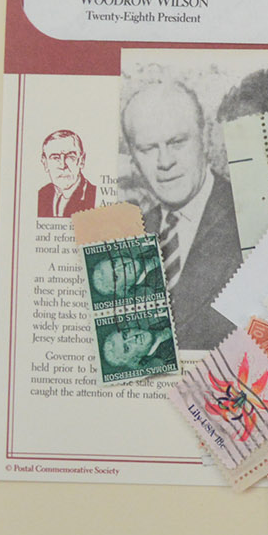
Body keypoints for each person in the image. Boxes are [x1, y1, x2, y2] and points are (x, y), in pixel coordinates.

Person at [121, 79, 240, 350]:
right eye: (148, 149)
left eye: (177, 142)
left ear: (205, 138)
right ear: (133, 158)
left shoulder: (251, 220)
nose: (165, 162)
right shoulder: (130, 239)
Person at [37, 129, 97, 218]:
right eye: (55, 157)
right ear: (45, 163)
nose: (62, 165)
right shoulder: (41, 195)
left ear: (82, 161)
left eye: (70, 156)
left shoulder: (94, 196)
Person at [98, 320, 175, 376]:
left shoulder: (158, 319)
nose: (133, 338)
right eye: (127, 348)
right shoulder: (168, 364)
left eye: (125, 335)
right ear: (135, 359)